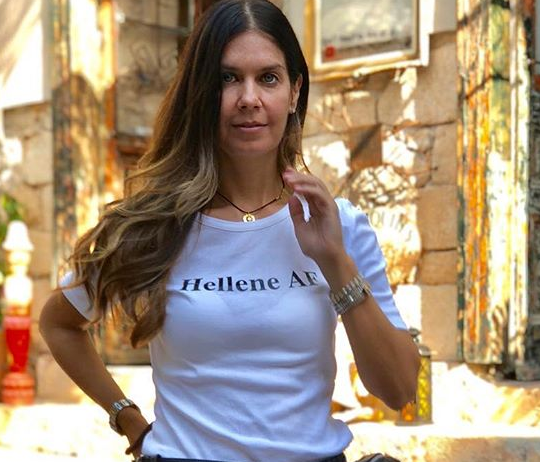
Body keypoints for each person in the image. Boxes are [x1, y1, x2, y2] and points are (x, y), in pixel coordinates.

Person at [39, 1, 420, 461]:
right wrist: (128, 419)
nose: (249, 98)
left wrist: (335, 261)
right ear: (200, 93)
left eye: (269, 78)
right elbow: (59, 324)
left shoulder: (339, 225)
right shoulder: (155, 226)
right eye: (227, 78)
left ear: (295, 92)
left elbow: (399, 389)